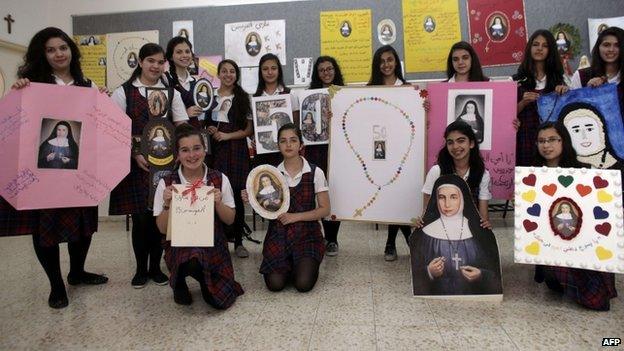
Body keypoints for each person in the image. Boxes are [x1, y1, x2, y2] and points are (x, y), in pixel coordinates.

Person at [2, 27, 108, 309]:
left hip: (80, 174)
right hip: (42, 177)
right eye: (51, 49)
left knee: (83, 228)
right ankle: (56, 284)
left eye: (63, 47)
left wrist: (105, 104)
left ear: (71, 50)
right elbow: (15, 125)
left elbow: (98, 128)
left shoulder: (89, 86)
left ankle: (77, 272)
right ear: (42, 54)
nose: (58, 54)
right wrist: (16, 92)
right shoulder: (31, 85)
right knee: (45, 230)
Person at [109, 43, 189, 289]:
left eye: (160, 61)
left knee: (160, 216)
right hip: (138, 166)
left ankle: (156, 268)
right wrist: (134, 154)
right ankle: (140, 269)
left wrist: (179, 151)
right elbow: (115, 128)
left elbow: (183, 124)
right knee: (141, 219)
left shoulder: (172, 93)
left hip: (166, 166)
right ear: (140, 62)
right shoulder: (123, 92)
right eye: (150, 61)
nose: (156, 66)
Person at [154, 124, 244, 308]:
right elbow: (162, 229)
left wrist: (218, 202)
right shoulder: (167, 183)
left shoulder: (219, 179)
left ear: (205, 150)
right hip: (180, 245)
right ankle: (179, 281)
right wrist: (167, 204)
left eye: (197, 148)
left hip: (213, 244)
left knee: (219, 301)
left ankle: (207, 280)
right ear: (177, 154)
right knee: (193, 257)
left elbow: (230, 220)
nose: (192, 155)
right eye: (185, 150)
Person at [532, 122, 617, 310]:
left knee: (594, 286)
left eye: (552, 139)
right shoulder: (531, 175)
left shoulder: (584, 171)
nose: (546, 145)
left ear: (564, 141)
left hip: (582, 242)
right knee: (555, 278)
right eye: (541, 141)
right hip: (551, 243)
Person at [243, 123, 330, 292]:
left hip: (307, 235)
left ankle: (301, 263)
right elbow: (267, 210)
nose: (288, 145)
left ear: (301, 145)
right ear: (278, 146)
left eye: (293, 140)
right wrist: (251, 199)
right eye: (283, 141)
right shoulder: (271, 173)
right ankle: (290, 263)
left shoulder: (315, 172)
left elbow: (325, 210)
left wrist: (294, 217)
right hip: (279, 235)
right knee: (275, 285)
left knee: (303, 285)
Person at [409, 175, 502, 296]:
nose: (447, 204)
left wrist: (481, 275)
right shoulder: (423, 234)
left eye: (453, 197)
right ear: (436, 200)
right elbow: (415, 272)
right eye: (442, 197)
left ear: (463, 199)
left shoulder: (481, 232)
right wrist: (429, 272)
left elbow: (494, 273)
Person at [367, 45, 411, 261]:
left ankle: (392, 242)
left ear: (396, 62)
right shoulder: (369, 89)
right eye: (382, 61)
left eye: (390, 60)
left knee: (399, 194)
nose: (386, 64)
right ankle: (405, 240)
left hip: (403, 150)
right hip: (379, 149)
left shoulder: (409, 89)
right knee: (389, 193)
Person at [206, 59, 253, 258]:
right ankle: (220, 241)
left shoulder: (243, 98)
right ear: (218, 74)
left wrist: (227, 135)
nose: (228, 74)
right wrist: (210, 129)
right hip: (216, 151)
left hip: (237, 150)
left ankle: (239, 242)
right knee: (216, 194)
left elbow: (248, 130)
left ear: (236, 74)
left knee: (236, 194)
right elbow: (205, 123)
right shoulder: (209, 97)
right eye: (224, 71)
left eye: (232, 71)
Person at [305, 56, 344, 256]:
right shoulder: (310, 96)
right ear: (317, 74)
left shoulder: (345, 94)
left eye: (330, 69)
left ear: (335, 70)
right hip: (316, 149)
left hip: (338, 149)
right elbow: (305, 124)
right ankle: (320, 234)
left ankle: (333, 238)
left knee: (335, 191)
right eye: (322, 70)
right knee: (319, 190)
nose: (326, 73)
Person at [421, 121, 492, 227]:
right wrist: (422, 222)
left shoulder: (483, 174)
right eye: (450, 142)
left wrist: (486, 225)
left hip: (469, 230)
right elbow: (427, 212)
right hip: (441, 229)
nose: (455, 146)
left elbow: (483, 217)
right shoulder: (436, 171)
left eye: (461, 141)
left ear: (471, 143)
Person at [514, 29, 568, 167]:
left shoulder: (559, 80)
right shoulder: (516, 80)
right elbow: (505, 116)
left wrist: (565, 94)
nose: (539, 49)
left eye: (545, 46)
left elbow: (568, 112)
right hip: (525, 141)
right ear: (529, 48)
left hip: (552, 143)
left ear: (551, 50)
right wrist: (523, 103)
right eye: (536, 44)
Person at [253, 53, 300, 167]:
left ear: (279, 70)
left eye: (273, 68)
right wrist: (254, 139)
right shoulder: (255, 98)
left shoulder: (290, 94)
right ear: (261, 72)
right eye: (265, 69)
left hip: (286, 150)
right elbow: (253, 128)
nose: (270, 72)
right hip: (264, 151)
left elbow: (296, 123)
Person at [570, 27, 624, 116]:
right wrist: (588, 92)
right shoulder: (581, 76)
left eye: (617, 45)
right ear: (598, 47)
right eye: (606, 45)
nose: (611, 49)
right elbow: (573, 113)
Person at [559, 102, 621, 169]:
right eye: (576, 131)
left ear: (602, 132)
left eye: (589, 129)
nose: (584, 136)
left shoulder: (620, 167)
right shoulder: (561, 168)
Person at [165, 36, 204, 129]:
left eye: (187, 51)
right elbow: (160, 113)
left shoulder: (196, 81)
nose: (185, 55)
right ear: (170, 56)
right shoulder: (165, 79)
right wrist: (184, 114)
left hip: (195, 132)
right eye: (179, 52)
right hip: (175, 134)